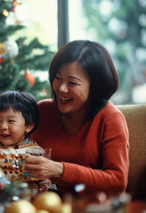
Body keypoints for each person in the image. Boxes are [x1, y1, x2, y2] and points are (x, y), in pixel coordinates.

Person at [30, 40, 129, 196]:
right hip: (42, 205)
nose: (61, 88)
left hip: (89, 211)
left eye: (72, 83)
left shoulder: (111, 119)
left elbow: (117, 181)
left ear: (95, 86)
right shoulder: (42, 111)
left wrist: (60, 170)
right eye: (58, 78)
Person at [0, 90, 52, 197]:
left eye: (11, 121)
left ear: (28, 126)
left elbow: (44, 177)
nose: (3, 126)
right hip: (1, 197)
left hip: (29, 199)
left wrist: (44, 188)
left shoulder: (35, 151)